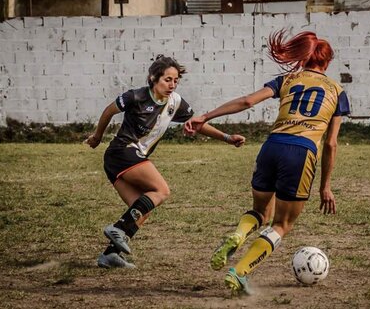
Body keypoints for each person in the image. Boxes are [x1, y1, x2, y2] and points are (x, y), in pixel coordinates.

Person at [184, 29, 350, 295]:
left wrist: (206, 116)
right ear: (327, 62)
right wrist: (325, 187)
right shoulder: (337, 91)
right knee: (282, 224)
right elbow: (330, 143)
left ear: (304, 58)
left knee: (260, 212)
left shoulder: (288, 78)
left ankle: (238, 234)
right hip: (301, 152)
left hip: (272, 146)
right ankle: (239, 272)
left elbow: (248, 101)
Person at [86, 55, 245, 269]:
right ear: (153, 78)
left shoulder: (175, 102)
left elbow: (196, 123)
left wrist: (227, 138)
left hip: (129, 157)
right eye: (167, 79)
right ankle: (118, 229)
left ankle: (110, 255)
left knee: (142, 207)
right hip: (121, 152)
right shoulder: (136, 97)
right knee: (161, 190)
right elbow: (108, 111)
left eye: (176, 80)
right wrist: (97, 137)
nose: (172, 84)